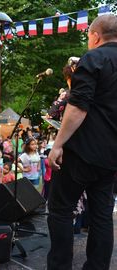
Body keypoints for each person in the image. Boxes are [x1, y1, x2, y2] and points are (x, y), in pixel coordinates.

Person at [47, 15, 117, 270]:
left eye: (89, 36)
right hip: (110, 157)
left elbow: (77, 107)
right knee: (101, 216)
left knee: (61, 211)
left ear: (95, 36)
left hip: (81, 153)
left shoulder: (94, 58)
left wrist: (57, 144)